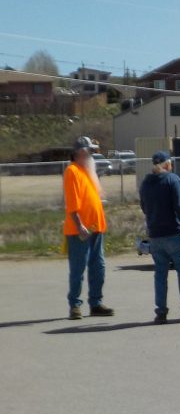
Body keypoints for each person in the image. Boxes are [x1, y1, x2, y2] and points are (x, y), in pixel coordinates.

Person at [139, 151, 180, 324]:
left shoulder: (146, 183)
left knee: (160, 273)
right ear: (167, 164)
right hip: (173, 233)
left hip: (155, 234)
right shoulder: (172, 180)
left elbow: (144, 207)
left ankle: (161, 312)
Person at [63, 136, 114, 319]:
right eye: (89, 151)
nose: (92, 154)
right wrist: (80, 226)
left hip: (96, 228)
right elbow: (72, 204)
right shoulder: (72, 171)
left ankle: (96, 303)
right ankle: (75, 305)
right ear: (80, 152)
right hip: (80, 231)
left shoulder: (87, 170)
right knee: (78, 269)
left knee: (98, 267)